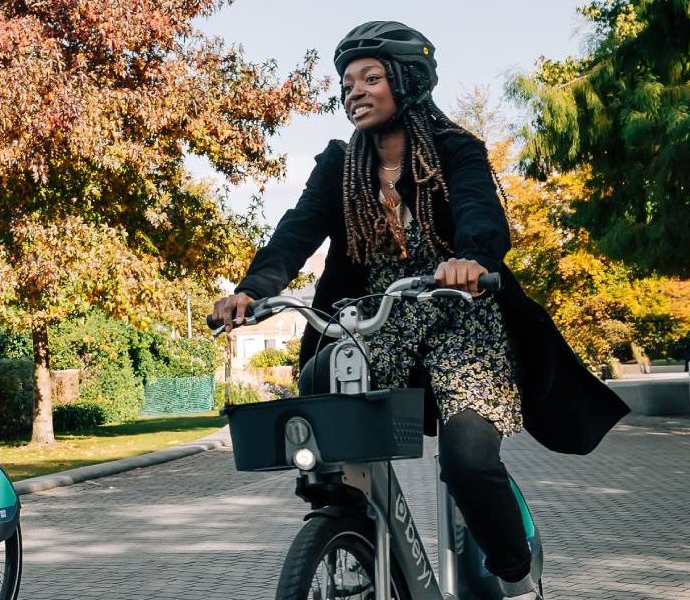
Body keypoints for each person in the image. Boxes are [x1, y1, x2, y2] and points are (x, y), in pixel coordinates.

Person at [211, 22, 629, 600]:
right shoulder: (340, 165)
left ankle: (515, 572)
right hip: (380, 319)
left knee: (468, 461)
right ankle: (352, 526)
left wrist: (472, 259)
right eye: (346, 81)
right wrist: (252, 290)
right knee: (321, 401)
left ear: (407, 81)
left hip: (461, 313)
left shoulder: (455, 149)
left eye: (370, 77)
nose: (353, 90)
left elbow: (482, 214)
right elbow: (294, 235)